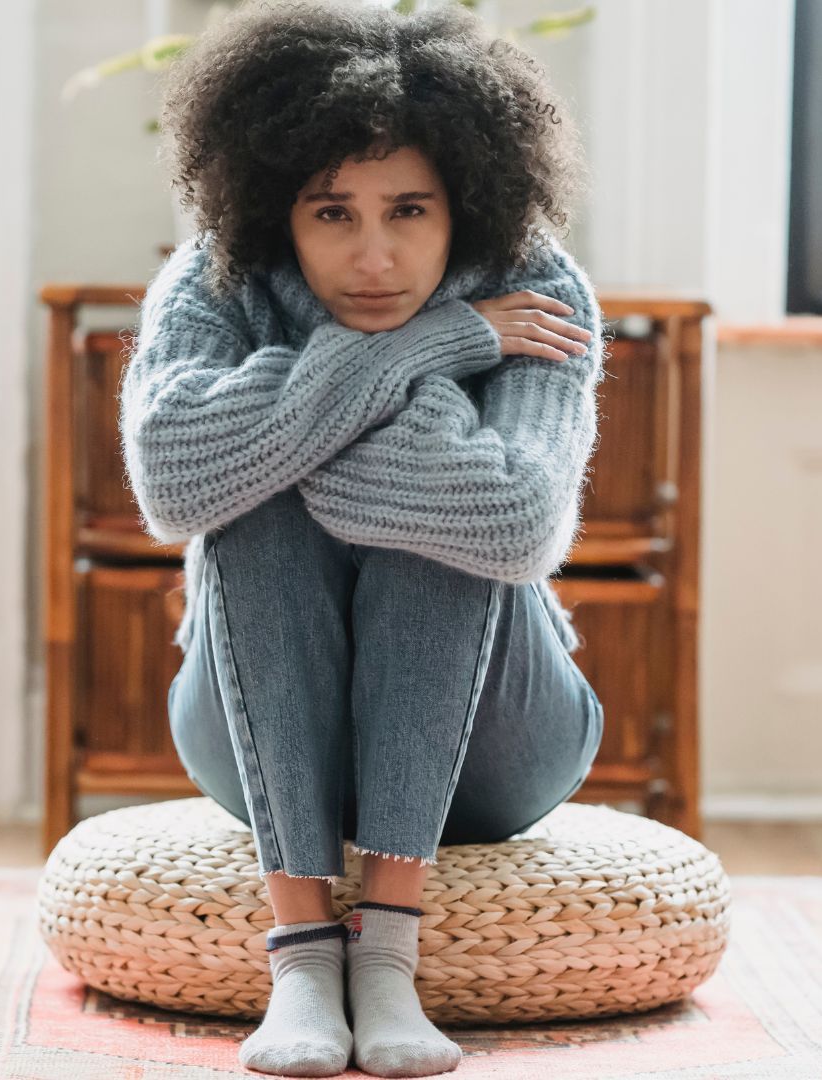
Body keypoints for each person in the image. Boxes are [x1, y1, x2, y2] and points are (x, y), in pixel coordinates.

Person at [119, 2, 605, 1075]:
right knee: (253, 499)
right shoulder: (216, 282)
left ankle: (385, 951)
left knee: (425, 511)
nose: (375, 255)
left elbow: (517, 520)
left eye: (410, 210)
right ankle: (303, 953)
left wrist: (296, 427)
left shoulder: (537, 287)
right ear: (274, 209)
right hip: (249, 744)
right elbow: (171, 480)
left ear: (466, 203)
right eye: (332, 212)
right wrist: (431, 351)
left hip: (505, 746)